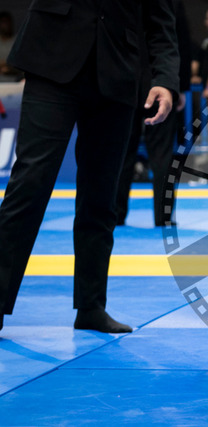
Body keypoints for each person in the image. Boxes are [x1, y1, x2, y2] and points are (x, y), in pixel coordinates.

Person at [0, 1, 179, 333]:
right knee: (29, 184)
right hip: (51, 57)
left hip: (117, 69)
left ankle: (91, 306)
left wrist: (165, 79)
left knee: (101, 196)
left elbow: (161, 23)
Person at [116, 0, 193, 228]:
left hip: (125, 80)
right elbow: (181, 41)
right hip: (159, 79)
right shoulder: (171, 4)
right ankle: (164, 216)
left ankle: (116, 212)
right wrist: (180, 87)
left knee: (122, 151)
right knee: (162, 154)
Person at [0, 11, 19, 81]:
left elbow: (20, 63)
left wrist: (9, 67)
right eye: (3, 22)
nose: (5, 25)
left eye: (7, 22)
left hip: (14, 81)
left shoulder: (17, 41)